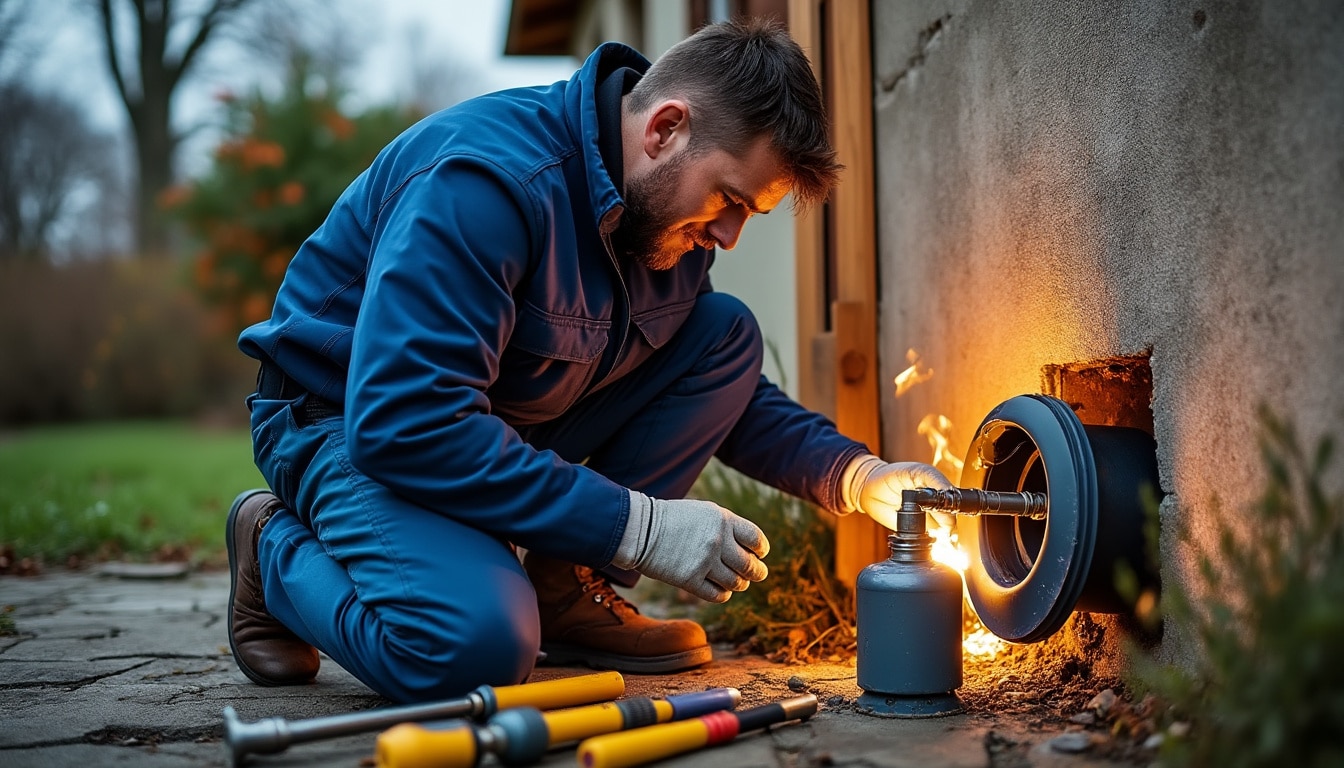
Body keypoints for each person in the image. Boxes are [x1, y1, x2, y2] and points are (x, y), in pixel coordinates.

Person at [226, 18, 951, 704]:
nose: (729, 235)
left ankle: (562, 589)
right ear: (665, 129)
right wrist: (639, 527)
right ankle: (271, 547)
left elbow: (718, 387)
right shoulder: (486, 184)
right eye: (728, 198)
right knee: (471, 648)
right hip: (345, 419)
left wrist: (859, 476)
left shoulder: (661, 224)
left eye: (748, 214)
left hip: (486, 420)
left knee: (722, 332)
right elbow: (407, 422)